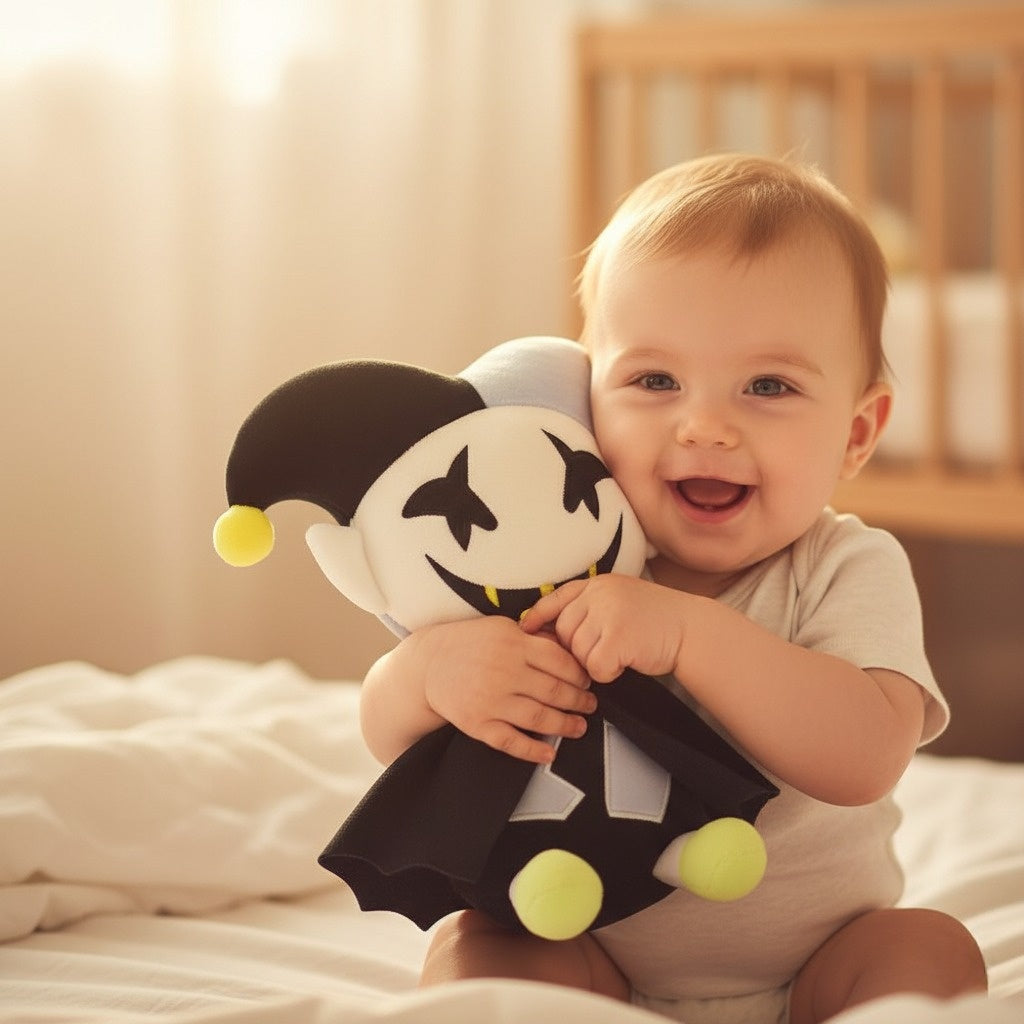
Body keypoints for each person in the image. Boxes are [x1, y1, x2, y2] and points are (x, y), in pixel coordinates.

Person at [357, 154, 988, 1024]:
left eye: (769, 386)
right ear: (587, 401)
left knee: (931, 951)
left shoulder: (844, 566)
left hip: (821, 961)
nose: (705, 426)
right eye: (655, 381)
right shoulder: (555, 554)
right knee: (477, 946)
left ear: (856, 432)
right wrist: (431, 675)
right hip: (590, 947)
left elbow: (868, 756)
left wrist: (688, 634)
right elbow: (388, 738)